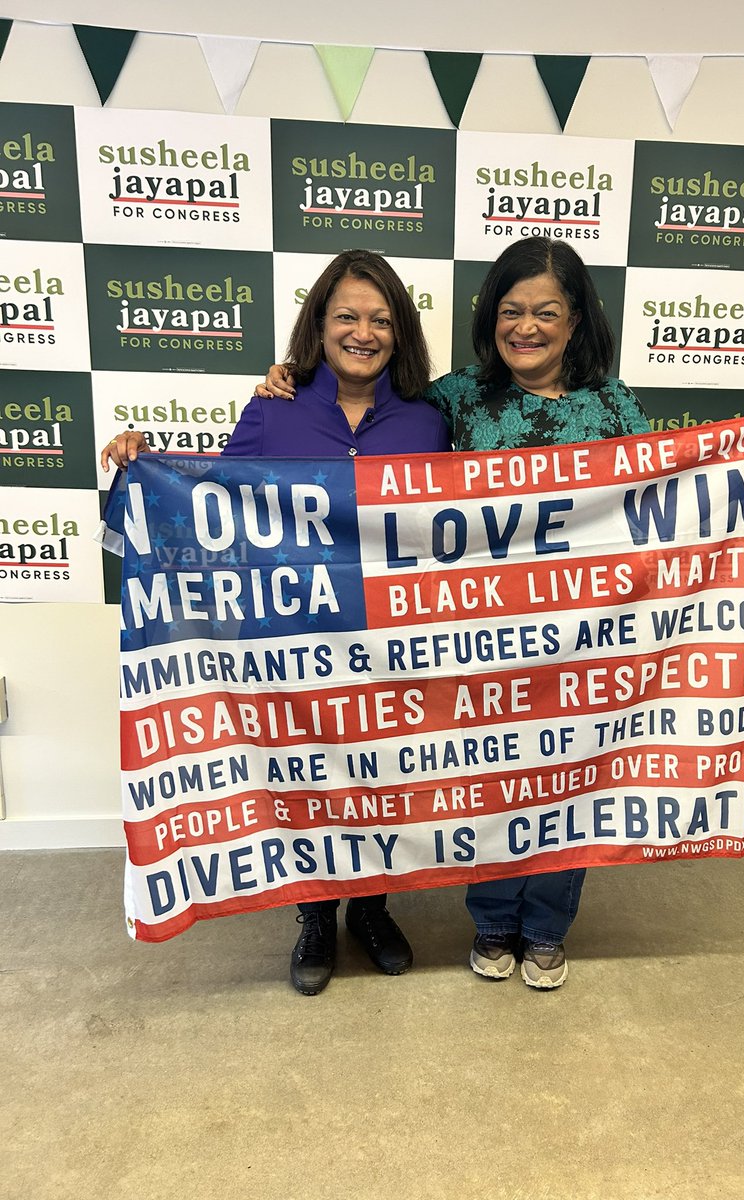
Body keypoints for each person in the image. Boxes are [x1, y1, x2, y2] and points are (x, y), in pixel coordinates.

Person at [256, 236, 744, 991]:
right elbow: (374, 428)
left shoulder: (614, 405)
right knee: (493, 778)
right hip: (485, 641)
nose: (527, 326)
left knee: (574, 781)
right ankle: (489, 924)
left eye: (545, 311)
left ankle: (545, 931)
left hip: (589, 642)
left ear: (575, 321)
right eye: (511, 310)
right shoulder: (453, 399)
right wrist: (291, 376)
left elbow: (679, 492)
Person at [101, 249, 451, 997]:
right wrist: (141, 465)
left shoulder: (429, 418)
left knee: (383, 778)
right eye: (348, 316)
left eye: (382, 319)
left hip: (392, 643)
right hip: (292, 646)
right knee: (308, 781)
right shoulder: (273, 407)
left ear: (402, 332)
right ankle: (316, 919)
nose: (364, 332)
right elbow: (211, 508)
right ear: (319, 325)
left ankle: (374, 911)